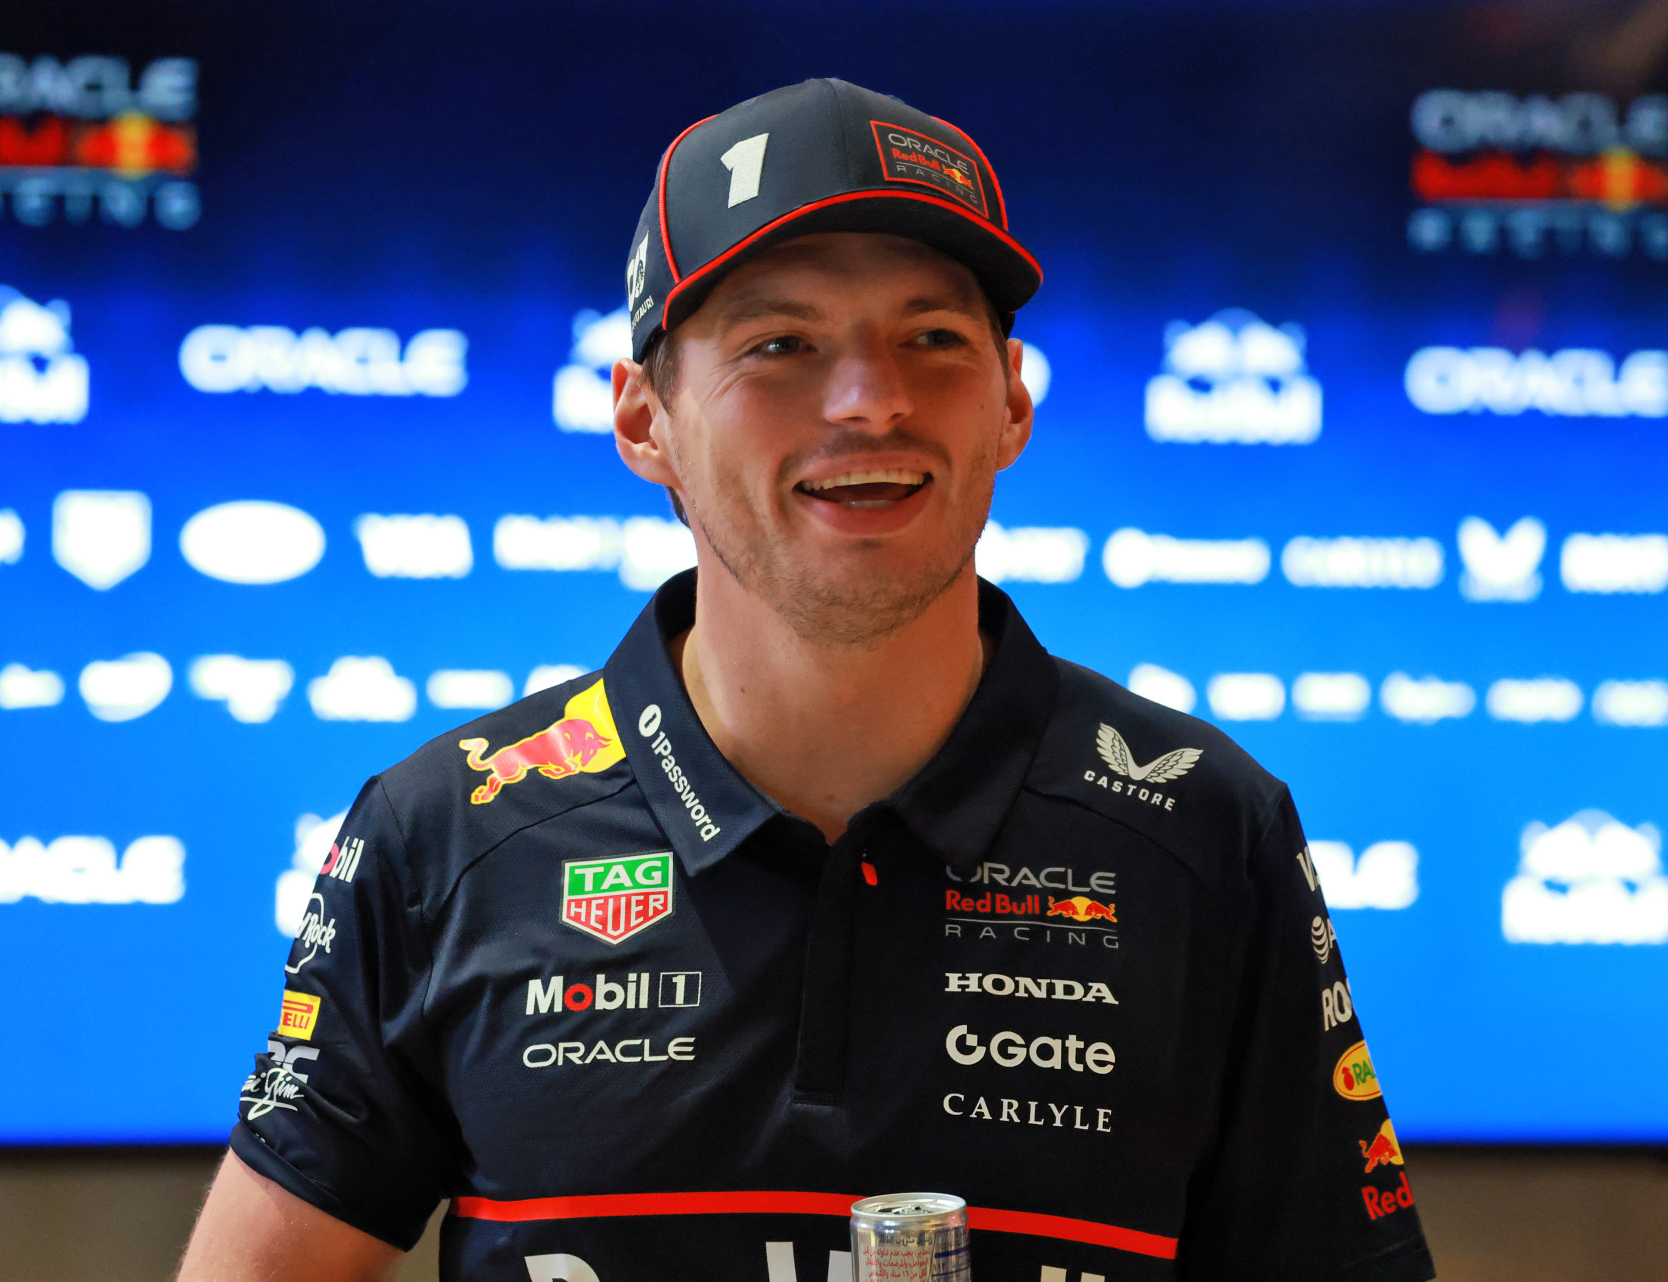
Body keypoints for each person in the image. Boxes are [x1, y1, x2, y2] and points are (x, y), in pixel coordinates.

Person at [178, 78, 1434, 1282]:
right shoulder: (444, 834)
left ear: (1011, 402)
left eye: (932, 338)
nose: (871, 401)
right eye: (779, 344)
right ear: (644, 420)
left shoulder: (1203, 826)